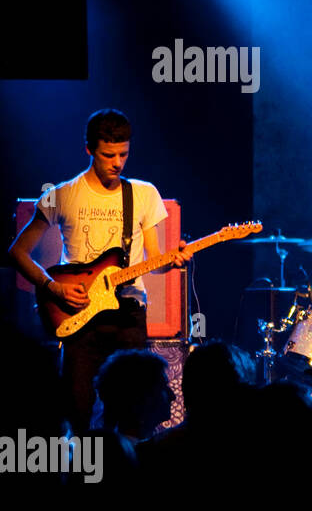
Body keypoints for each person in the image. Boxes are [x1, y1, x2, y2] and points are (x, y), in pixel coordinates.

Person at [8, 109, 190, 431]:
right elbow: (18, 252)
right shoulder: (62, 195)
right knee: (79, 411)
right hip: (79, 317)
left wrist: (171, 263)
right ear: (89, 149)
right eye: (108, 155)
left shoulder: (144, 194)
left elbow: (155, 263)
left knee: (134, 412)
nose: (117, 163)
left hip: (128, 314)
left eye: (123, 154)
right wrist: (53, 287)